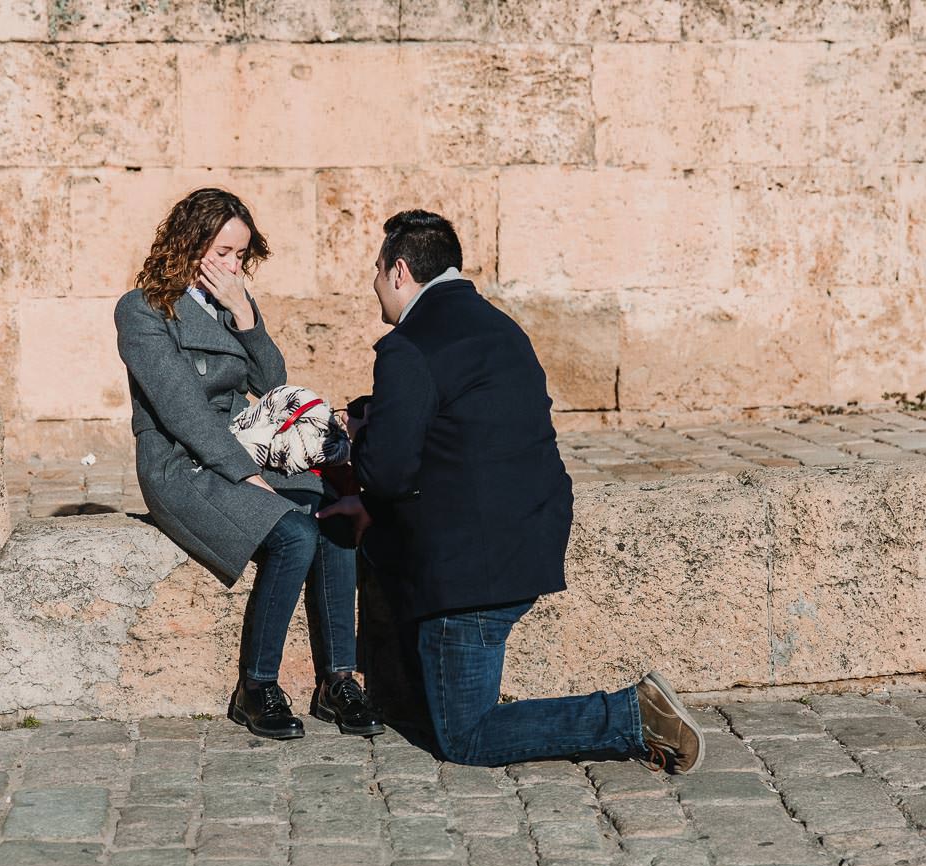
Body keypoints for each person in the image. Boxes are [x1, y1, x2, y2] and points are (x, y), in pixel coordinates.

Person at [319, 210, 703, 772]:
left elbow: (389, 474)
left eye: (377, 270)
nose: (374, 283)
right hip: (531, 533)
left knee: (466, 736)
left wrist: (362, 443)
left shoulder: (407, 347)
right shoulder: (498, 326)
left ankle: (631, 716)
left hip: (472, 571)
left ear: (400, 271)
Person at [115, 188, 382, 741]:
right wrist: (246, 476)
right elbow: (182, 410)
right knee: (293, 536)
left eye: (238, 255)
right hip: (182, 462)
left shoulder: (234, 304)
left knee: (331, 516)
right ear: (187, 244)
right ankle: (256, 686)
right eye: (219, 252)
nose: (230, 265)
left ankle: (338, 681)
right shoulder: (142, 309)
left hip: (245, 442)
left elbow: (271, 385)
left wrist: (244, 315)